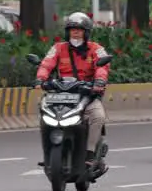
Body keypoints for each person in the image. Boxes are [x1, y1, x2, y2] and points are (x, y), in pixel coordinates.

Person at [36, 12, 111, 173]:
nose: (75, 32)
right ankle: (48, 152)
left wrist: (99, 82)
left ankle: (90, 154)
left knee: (98, 116)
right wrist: (41, 79)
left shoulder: (96, 49)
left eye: (79, 29)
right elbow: (46, 64)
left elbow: (102, 67)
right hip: (60, 94)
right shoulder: (58, 48)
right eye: (72, 29)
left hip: (87, 94)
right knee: (44, 114)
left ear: (86, 32)